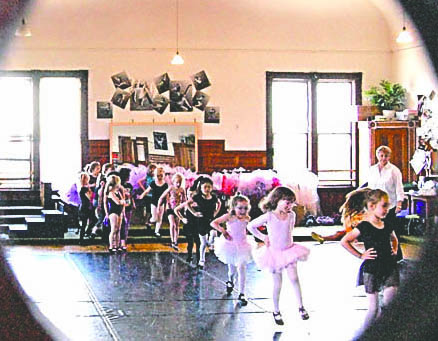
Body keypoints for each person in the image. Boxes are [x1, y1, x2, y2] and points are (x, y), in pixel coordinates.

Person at [247, 186, 310, 325]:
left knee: (294, 278)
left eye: (292, 202)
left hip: (289, 251)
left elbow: (290, 230)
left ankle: (301, 307)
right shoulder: (269, 216)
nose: (290, 206)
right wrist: (263, 237)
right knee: (277, 283)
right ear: (277, 200)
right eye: (287, 202)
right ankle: (276, 310)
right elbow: (251, 226)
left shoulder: (291, 215)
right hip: (274, 253)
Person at [340, 188, 399, 332]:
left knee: (389, 304)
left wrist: (395, 249)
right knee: (373, 309)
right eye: (384, 206)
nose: (387, 209)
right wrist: (361, 255)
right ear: (372, 206)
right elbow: (344, 241)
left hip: (389, 267)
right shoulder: (364, 226)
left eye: (388, 206)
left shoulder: (387, 224)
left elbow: (394, 239)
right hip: (372, 269)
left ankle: (385, 332)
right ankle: (367, 334)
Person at [210, 194, 255, 306]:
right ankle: (230, 281)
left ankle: (242, 293)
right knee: (232, 270)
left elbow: (247, 229)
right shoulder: (229, 217)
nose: (242, 211)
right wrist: (223, 231)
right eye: (240, 208)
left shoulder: (247, 219)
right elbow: (213, 223)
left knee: (241, 267)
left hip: (243, 245)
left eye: (245, 208)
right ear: (234, 207)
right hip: (230, 245)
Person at [367, 145, 404, 261]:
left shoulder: (394, 170)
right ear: (377, 155)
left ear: (389, 157)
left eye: (386, 156)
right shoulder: (372, 169)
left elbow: (399, 188)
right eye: (381, 155)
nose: (383, 158)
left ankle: (397, 255)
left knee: (391, 229)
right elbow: (370, 187)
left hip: (390, 205)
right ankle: (379, 255)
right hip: (375, 205)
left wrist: (399, 204)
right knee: (376, 230)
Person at [186, 176, 221, 269]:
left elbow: (219, 203)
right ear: (201, 188)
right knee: (203, 243)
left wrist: (215, 212)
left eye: (209, 187)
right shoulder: (197, 197)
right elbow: (187, 204)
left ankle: (211, 244)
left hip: (211, 219)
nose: (207, 189)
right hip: (201, 221)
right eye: (205, 187)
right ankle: (201, 260)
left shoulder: (214, 197)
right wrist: (194, 213)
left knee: (214, 232)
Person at [158, 172, 186, 250]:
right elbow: (162, 196)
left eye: (180, 183)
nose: (178, 184)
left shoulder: (182, 189)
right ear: (174, 181)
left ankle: (175, 241)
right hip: (170, 208)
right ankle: (172, 240)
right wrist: (159, 205)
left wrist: (186, 207)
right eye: (177, 182)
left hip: (178, 209)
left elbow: (185, 200)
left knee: (177, 226)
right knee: (172, 224)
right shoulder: (171, 188)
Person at [138, 166, 168, 237]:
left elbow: (167, 195)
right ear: (155, 175)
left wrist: (167, 204)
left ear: (163, 175)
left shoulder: (165, 185)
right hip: (154, 202)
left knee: (160, 218)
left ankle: (156, 231)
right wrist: (142, 195)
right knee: (154, 217)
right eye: (158, 176)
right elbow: (147, 190)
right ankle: (149, 223)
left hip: (162, 203)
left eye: (161, 175)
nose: (159, 177)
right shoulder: (153, 183)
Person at [174, 186, 200, 264]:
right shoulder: (186, 204)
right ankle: (189, 255)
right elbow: (176, 210)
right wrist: (182, 218)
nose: (191, 196)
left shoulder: (198, 203)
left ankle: (199, 257)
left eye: (192, 194)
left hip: (197, 225)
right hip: (189, 224)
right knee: (190, 242)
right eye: (189, 194)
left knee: (198, 242)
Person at [104, 174, 126, 254]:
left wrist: (122, 202)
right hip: (113, 211)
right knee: (114, 229)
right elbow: (118, 202)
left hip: (119, 211)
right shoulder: (110, 193)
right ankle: (111, 245)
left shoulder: (117, 192)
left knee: (118, 229)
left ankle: (117, 245)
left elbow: (123, 201)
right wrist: (122, 202)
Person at [78, 172, 97, 243]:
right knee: (84, 223)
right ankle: (82, 238)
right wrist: (90, 190)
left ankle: (86, 234)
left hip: (85, 206)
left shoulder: (83, 187)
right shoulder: (84, 188)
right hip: (86, 207)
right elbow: (89, 197)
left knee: (91, 221)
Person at [137, 164, 157, 230]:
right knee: (148, 208)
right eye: (151, 169)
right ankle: (146, 221)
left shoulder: (157, 177)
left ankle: (152, 221)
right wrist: (144, 189)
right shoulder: (147, 176)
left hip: (154, 194)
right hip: (148, 194)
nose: (152, 170)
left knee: (154, 208)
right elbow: (139, 181)